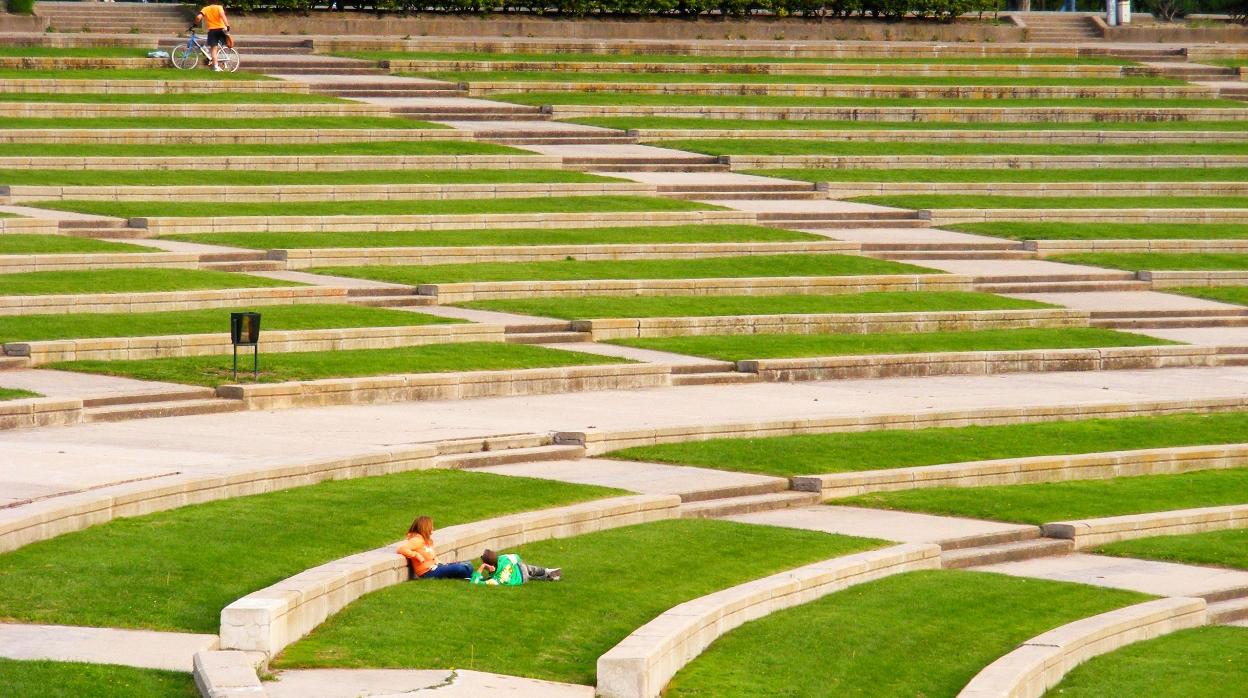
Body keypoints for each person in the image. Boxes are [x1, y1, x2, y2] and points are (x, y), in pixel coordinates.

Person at [397, 516, 472, 580]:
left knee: (468, 564)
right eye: (431, 527)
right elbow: (401, 549)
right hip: (428, 572)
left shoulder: (426, 540)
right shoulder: (416, 540)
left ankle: (468, 576)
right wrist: (416, 555)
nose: (433, 528)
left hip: (436, 567)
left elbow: (431, 555)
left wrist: (437, 560)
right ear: (424, 528)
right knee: (461, 568)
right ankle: (469, 577)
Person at [471, 548, 561, 586]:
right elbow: (516, 557)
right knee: (532, 569)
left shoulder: (495, 580)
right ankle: (547, 571)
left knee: (532, 577)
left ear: (489, 565)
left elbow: (474, 583)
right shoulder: (503, 558)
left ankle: (547, 577)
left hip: (520, 581)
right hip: (520, 568)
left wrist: (482, 567)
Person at [193, 3, 230, 72]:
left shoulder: (206, 8)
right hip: (221, 29)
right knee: (221, 44)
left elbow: (198, 17)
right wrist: (227, 25)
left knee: (213, 49)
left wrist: (195, 24)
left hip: (212, 30)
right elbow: (223, 16)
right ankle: (217, 58)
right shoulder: (219, 7)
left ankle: (215, 66)